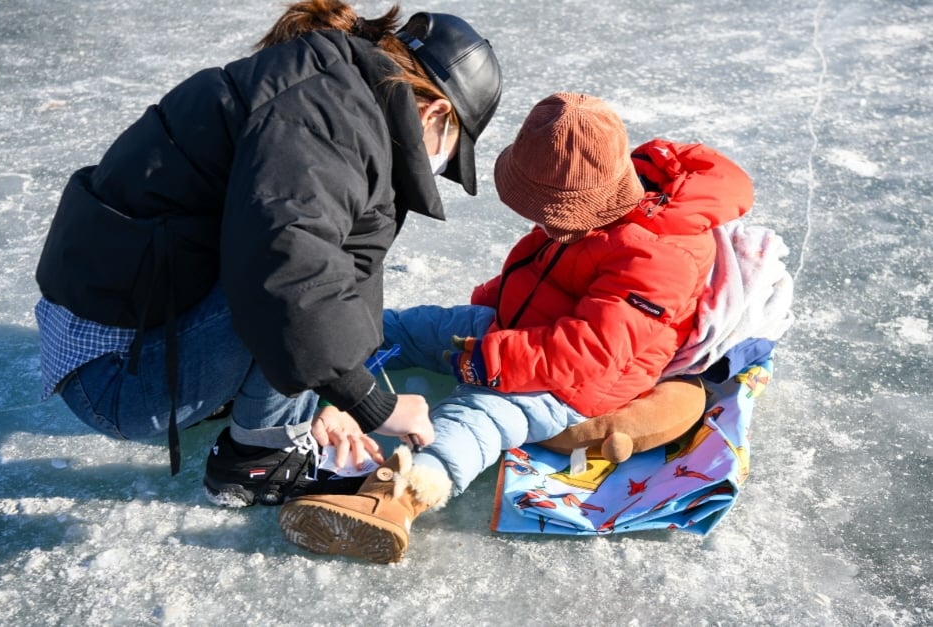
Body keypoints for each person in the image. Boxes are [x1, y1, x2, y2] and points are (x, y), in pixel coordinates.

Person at [32, 0, 503, 507]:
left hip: (132, 334)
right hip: (116, 376)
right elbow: (285, 272)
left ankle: (263, 407)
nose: (440, 168)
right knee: (284, 281)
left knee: (307, 279)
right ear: (435, 112)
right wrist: (371, 402)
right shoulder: (325, 117)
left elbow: (347, 264)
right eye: (452, 153)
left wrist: (334, 392)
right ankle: (259, 458)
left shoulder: (340, 96)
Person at [278, 91, 755, 563]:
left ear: (584, 203)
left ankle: (400, 496)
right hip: (519, 329)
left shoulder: (655, 257)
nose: (539, 222)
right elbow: (544, 268)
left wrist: (491, 358)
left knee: (477, 414)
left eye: (547, 214)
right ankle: (316, 349)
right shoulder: (591, 204)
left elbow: (592, 351)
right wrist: (493, 305)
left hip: (574, 383)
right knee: (415, 327)